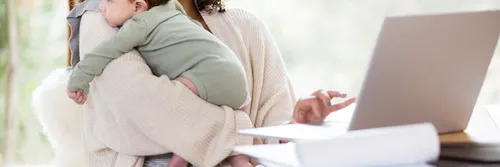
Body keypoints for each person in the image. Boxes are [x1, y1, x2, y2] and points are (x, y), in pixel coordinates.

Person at [63, 0, 356, 166]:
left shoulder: (246, 25)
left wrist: (295, 126)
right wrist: (243, 130)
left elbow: (270, 148)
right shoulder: (103, 15)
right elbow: (149, 109)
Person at [67, 0, 253, 166]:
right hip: (235, 77)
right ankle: (241, 159)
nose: (101, 6)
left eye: (110, 1)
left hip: (210, 73)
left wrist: (78, 78)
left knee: (179, 102)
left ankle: (181, 158)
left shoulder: (139, 24)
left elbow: (106, 51)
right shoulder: (172, 9)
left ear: (138, 6)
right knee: (192, 107)